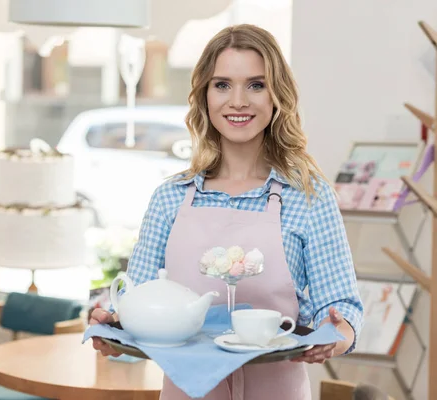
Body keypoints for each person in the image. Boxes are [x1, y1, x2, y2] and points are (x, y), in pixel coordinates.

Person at [90, 24, 363, 400]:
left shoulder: (308, 197)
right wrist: (113, 330)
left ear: (276, 95)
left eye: (256, 84)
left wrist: (335, 335)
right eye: (222, 85)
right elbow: (136, 302)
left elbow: (341, 306)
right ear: (204, 96)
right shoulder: (170, 198)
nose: (238, 101)